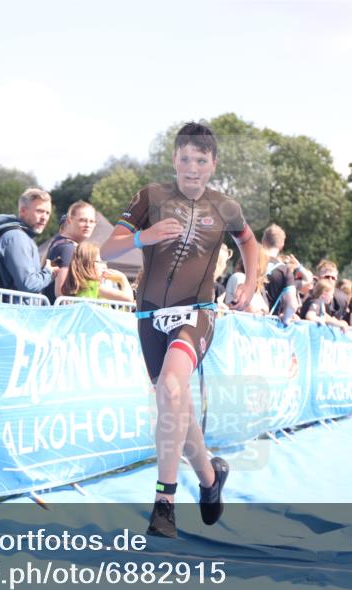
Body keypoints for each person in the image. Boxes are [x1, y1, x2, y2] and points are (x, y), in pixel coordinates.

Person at [100, 122, 259, 538]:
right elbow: (107, 248)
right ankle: (209, 479)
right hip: (150, 317)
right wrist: (143, 236)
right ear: (174, 160)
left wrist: (252, 280)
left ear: (213, 165)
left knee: (173, 388)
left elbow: (249, 241)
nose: (192, 168)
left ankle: (164, 503)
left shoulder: (225, 206)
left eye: (201, 161)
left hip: (198, 312)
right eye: (185, 159)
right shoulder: (150, 198)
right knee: (175, 406)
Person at [0, 188, 57, 295]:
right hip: (13, 310)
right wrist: (48, 272)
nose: (44, 217)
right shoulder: (17, 238)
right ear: (22, 211)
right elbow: (29, 284)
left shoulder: (18, 236)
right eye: (40, 211)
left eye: (47, 213)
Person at [42, 200, 98, 301]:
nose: (88, 225)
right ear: (69, 220)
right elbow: (61, 291)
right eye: (82, 220)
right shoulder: (68, 248)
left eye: (91, 221)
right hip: (61, 313)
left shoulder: (60, 243)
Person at [56, 241, 133, 302]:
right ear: (88, 264)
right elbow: (128, 299)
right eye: (99, 262)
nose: (104, 266)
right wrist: (122, 279)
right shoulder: (94, 286)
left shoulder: (73, 284)